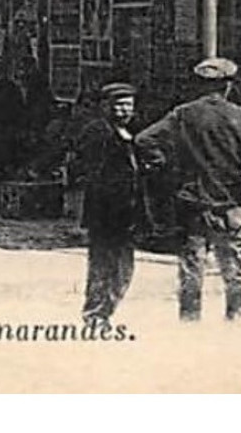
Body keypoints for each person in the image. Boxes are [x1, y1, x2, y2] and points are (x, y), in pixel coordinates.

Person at [136, 57, 241, 322]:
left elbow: (144, 140)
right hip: (236, 200)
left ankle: (190, 323)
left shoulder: (183, 114)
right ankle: (236, 319)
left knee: (192, 268)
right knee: (235, 269)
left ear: (197, 85)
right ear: (228, 86)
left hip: (195, 201)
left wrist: (165, 165)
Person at [73, 82, 146, 326]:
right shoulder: (97, 132)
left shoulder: (131, 132)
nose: (124, 110)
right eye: (119, 105)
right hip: (106, 211)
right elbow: (92, 171)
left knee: (123, 267)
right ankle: (96, 314)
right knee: (104, 264)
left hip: (127, 210)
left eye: (129, 105)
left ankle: (104, 310)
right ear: (105, 106)